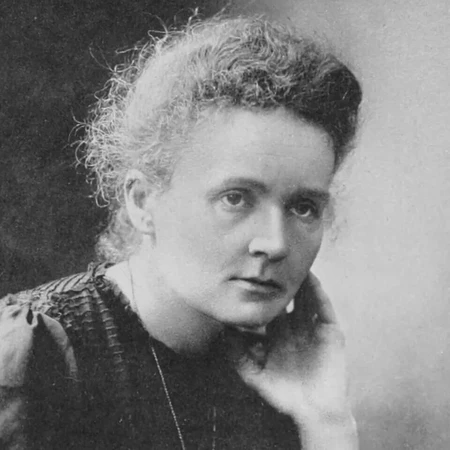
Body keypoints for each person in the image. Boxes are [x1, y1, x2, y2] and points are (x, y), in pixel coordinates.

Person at [0, 14, 362, 450]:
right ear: (142, 201)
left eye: (303, 207)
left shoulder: (282, 379)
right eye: (235, 198)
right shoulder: (38, 353)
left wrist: (325, 421)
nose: (275, 243)